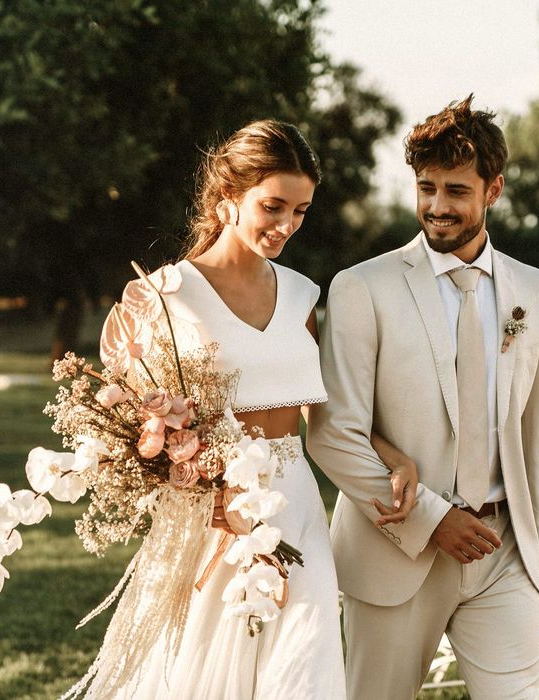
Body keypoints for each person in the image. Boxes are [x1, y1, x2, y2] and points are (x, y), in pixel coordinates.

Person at [79, 120, 415, 700]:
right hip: (210, 518)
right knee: (207, 677)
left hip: (297, 509)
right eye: (273, 206)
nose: (287, 225)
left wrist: (392, 457)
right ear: (227, 198)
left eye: (302, 211)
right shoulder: (163, 294)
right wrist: (197, 487)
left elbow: (324, 412)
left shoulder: (305, 296)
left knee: (303, 672)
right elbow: (126, 425)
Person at [307, 96, 539, 700]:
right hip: (394, 553)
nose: (436, 207)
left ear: (493, 189)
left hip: (505, 554)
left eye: (455, 191)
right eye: (426, 188)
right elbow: (332, 432)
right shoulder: (361, 287)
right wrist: (432, 518)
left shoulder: (535, 289)